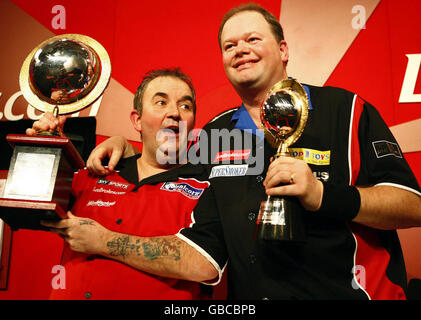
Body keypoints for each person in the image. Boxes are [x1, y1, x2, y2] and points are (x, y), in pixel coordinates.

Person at [76, 3, 421, 299]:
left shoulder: (345, 110)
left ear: (283, 50)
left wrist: (322, 196)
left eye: (253, 39)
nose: (240, 49)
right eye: (230, 45)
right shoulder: (216, 134)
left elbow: (412, 206)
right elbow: (162, 168)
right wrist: (122, 146)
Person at [27, 68, 218, 299]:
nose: (175, 113)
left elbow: (203, 263)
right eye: (160, 102)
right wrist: (44, 147)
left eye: (185, 106)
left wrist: (103, 241)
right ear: (137, 120)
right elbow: (29, 205)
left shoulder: (207, 185)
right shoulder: (96, 171)